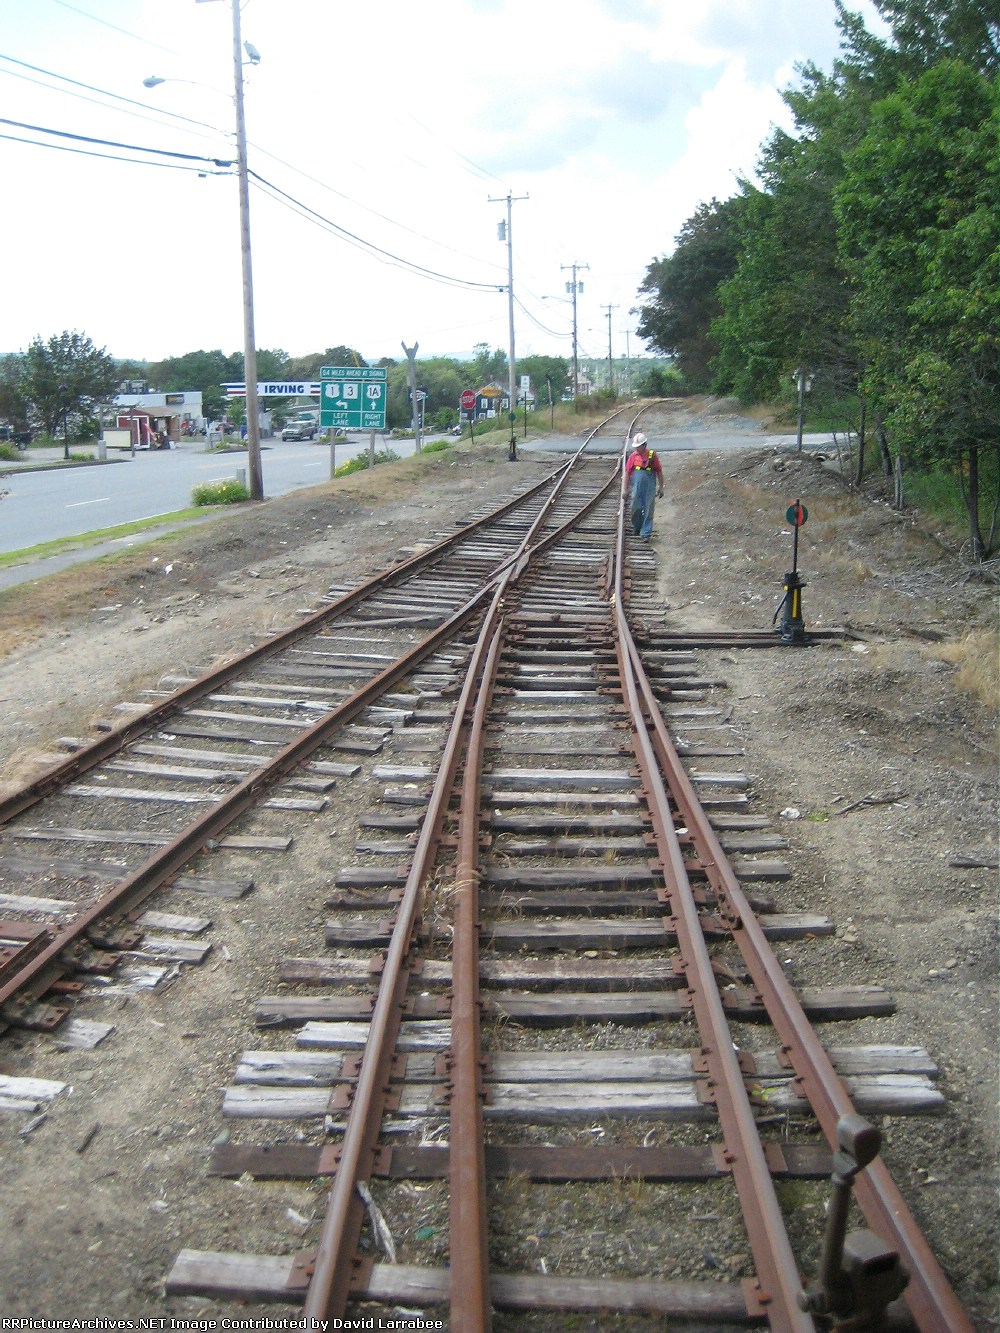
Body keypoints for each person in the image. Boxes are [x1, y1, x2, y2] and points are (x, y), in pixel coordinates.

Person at [624, 432, 663, 540]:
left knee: (648, 508)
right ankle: (637, 526)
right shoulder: (633, 456)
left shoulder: (652, 455)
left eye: (638, 447)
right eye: (635, 447)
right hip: (637, 485)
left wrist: (661, 487)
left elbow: (659, 470)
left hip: (649, 485)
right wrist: (625, 490)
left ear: (644, 445)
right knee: (634, 506)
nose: (636, 449)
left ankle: (646, 533)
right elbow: (627, 472)